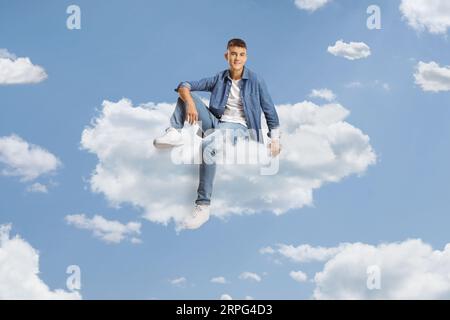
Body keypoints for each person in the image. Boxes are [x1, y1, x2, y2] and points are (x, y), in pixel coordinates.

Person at [154, 38, 281, 229]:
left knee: (207, 146)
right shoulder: (219, 78)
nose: (237, 58)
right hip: (217, 123)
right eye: (233, 54)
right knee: (185, 95)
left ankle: (203, 206)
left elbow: (269, 109)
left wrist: (275, 139)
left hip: (240, 128)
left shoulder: (256, 81)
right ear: (226, 56)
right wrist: (189, 102)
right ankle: (174, 132)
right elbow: (185, 84)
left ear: (246, 57)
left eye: (241, 55)